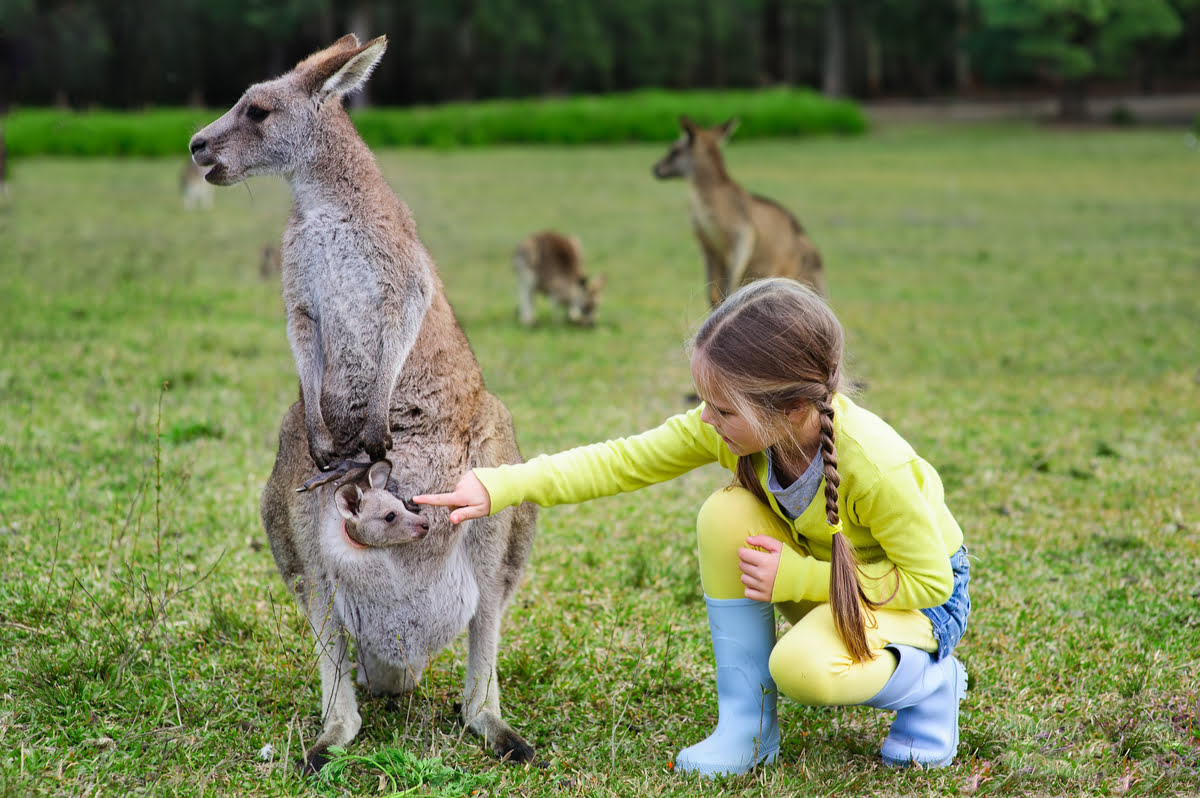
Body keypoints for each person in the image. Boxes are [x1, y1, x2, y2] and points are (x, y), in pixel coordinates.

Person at [415, 278, 970, 776]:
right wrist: (500, 485)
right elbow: (620, 461)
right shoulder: (739, 430)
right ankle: (747, 728)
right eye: (705, 403)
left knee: (802, 669)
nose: (707, 420)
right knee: (724, 514)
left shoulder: (876, 467)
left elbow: (930, 584)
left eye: (723, 409)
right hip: (825, 580)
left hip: (919, 605)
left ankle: (932, 687)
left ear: (795, 407)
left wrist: (800, 578)